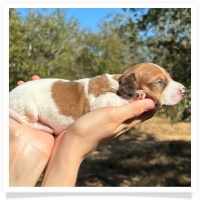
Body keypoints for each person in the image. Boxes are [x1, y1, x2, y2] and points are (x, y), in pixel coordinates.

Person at [9, 75, 156, 186]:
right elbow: (103, 104)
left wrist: (73, 144)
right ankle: (28, 119)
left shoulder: (101, 85)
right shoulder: (104, 88)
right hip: (24, 102)